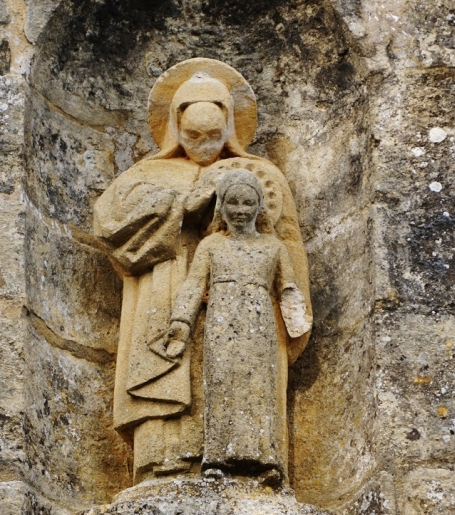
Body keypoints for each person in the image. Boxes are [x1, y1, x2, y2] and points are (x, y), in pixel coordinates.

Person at [92, 58, 311, 483]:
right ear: (175, 127)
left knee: (243, 380)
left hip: (247, 307)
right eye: (193, 135)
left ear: (230, 126)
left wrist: (293, 310)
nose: (204, 145)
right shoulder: (147, 175)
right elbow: (111, 228)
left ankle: (250, 462)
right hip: (167, 290)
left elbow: (288, 240)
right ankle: (165, 464)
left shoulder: (261, 175)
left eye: (214, 135)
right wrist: (185, 205)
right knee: (168, 366)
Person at [163, 171, 311, 484]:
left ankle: (265, 461)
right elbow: (193, 284)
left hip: (259, 326)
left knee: (260, 387)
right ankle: (216, 458)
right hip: (220, 321)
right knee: (220, 383)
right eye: (233, 202)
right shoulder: (211, 245)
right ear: (221, 206)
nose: (240, 209)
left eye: (248, 202)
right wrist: (180, 323)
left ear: (260, 206)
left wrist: (296, 319)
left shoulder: (273, 247)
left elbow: (287, 286)